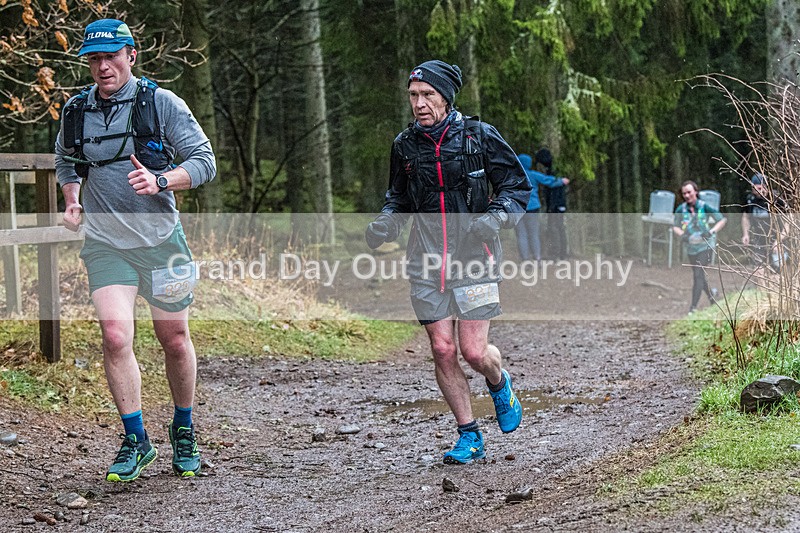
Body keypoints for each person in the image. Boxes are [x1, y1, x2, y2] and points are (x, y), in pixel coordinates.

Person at [55, 19, 216, 482]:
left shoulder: (161, 104)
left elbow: (204, 162)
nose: (103, 67)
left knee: (175, 340)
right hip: (107, 244)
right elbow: (67, 159)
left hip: (162, 242)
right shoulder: (75, 110)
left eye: (111, 56)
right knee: (114, 335)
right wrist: (72, 200)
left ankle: (183, 428)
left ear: (131, 54)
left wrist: (161, 179)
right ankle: (135, 439)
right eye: (95, 59)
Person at [365, 60, 530, 464]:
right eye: (413, 96)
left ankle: (498, 379)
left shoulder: (478, 136)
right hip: (425, 260)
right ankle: (469, 436)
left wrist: (494, 218)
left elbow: (516, 186)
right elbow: (398, 197)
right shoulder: (405, 145)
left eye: (427, 95)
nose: (419, 104)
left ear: (445, 97)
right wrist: (386, 223)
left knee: (473, 352)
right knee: (442, 348)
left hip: (475, 256)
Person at [672, 180, 726, 313]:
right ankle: (712, 298)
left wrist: (711, 231)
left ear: (695, 192)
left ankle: (693, 308)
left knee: (698, 275)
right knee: (699, 275)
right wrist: (682, 236)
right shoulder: (681, 209)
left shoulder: (704, 206)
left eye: (689, 192)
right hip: (691, 247)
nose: (687, 195)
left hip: (706, 246)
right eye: (684, 193)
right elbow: (675, 226)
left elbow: (722, 220)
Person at [514, 153, 569, 262]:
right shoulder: (533, 175)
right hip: (533, 207)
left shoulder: (512, 176)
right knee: (533, 233)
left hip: (516, 208)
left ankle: (525, 259)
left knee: (521, 235)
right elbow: (548, 181)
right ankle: (537, 258)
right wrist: (561, 181)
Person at [742, 173, 787, 272]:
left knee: (777, 270)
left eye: (759, 188)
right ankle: (761, 286)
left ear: (765, 187)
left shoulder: (777, 199)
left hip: (776, 237)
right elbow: (746, 217)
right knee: (758, 268)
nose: (756, 191)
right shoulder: (750, 199)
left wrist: (779, 240)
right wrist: (746, 234)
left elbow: (788, 223)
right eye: (754, 188)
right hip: (759, 238)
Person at [538, 148, 569, 260]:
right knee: (558, 228)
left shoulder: (554, 170)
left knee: (555, 228)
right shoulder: (552, 169)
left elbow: (555, 188)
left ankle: (558, 254)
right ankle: (560, 254)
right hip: (557, 204)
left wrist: (553, 206)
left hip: (556, 205)